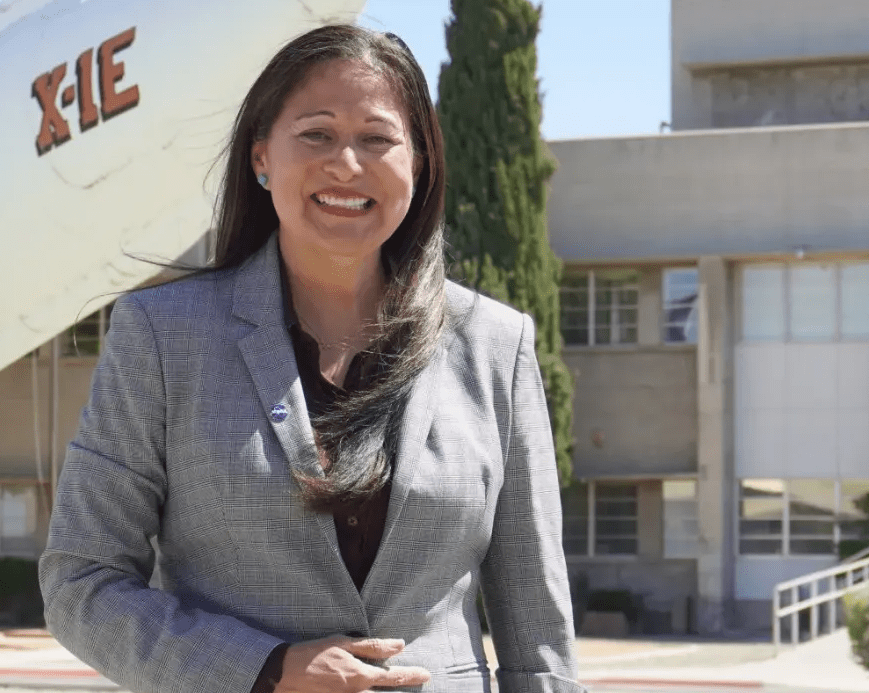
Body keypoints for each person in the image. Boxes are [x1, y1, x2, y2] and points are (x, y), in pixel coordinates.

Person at [38, 24, 583, 693]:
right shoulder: (160, 334)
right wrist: (263, 668)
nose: (347, 165)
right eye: (317, 134)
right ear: (262, 158)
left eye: (377, 138)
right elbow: (82, 582)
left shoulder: (497, 344)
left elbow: (539, 643)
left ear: (418, 162)